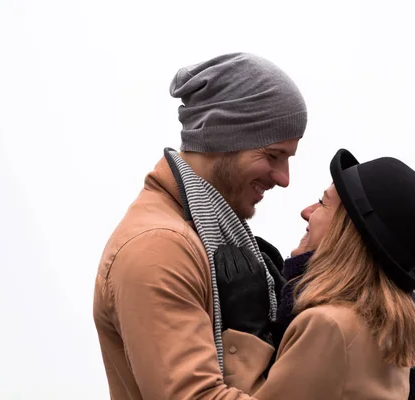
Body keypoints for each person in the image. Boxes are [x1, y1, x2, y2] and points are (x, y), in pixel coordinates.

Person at [92, 52, 308, 399]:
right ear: (223, 139)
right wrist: (247, 337)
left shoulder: (197, 236)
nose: (283, 179)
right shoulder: (159, 247)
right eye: (272, 155)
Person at [217, 148, 415, 399]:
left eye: (323, 203)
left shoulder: (330, 326)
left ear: (345, 232)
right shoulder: (387, 330)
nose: (307, 211)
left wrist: (245, 332)